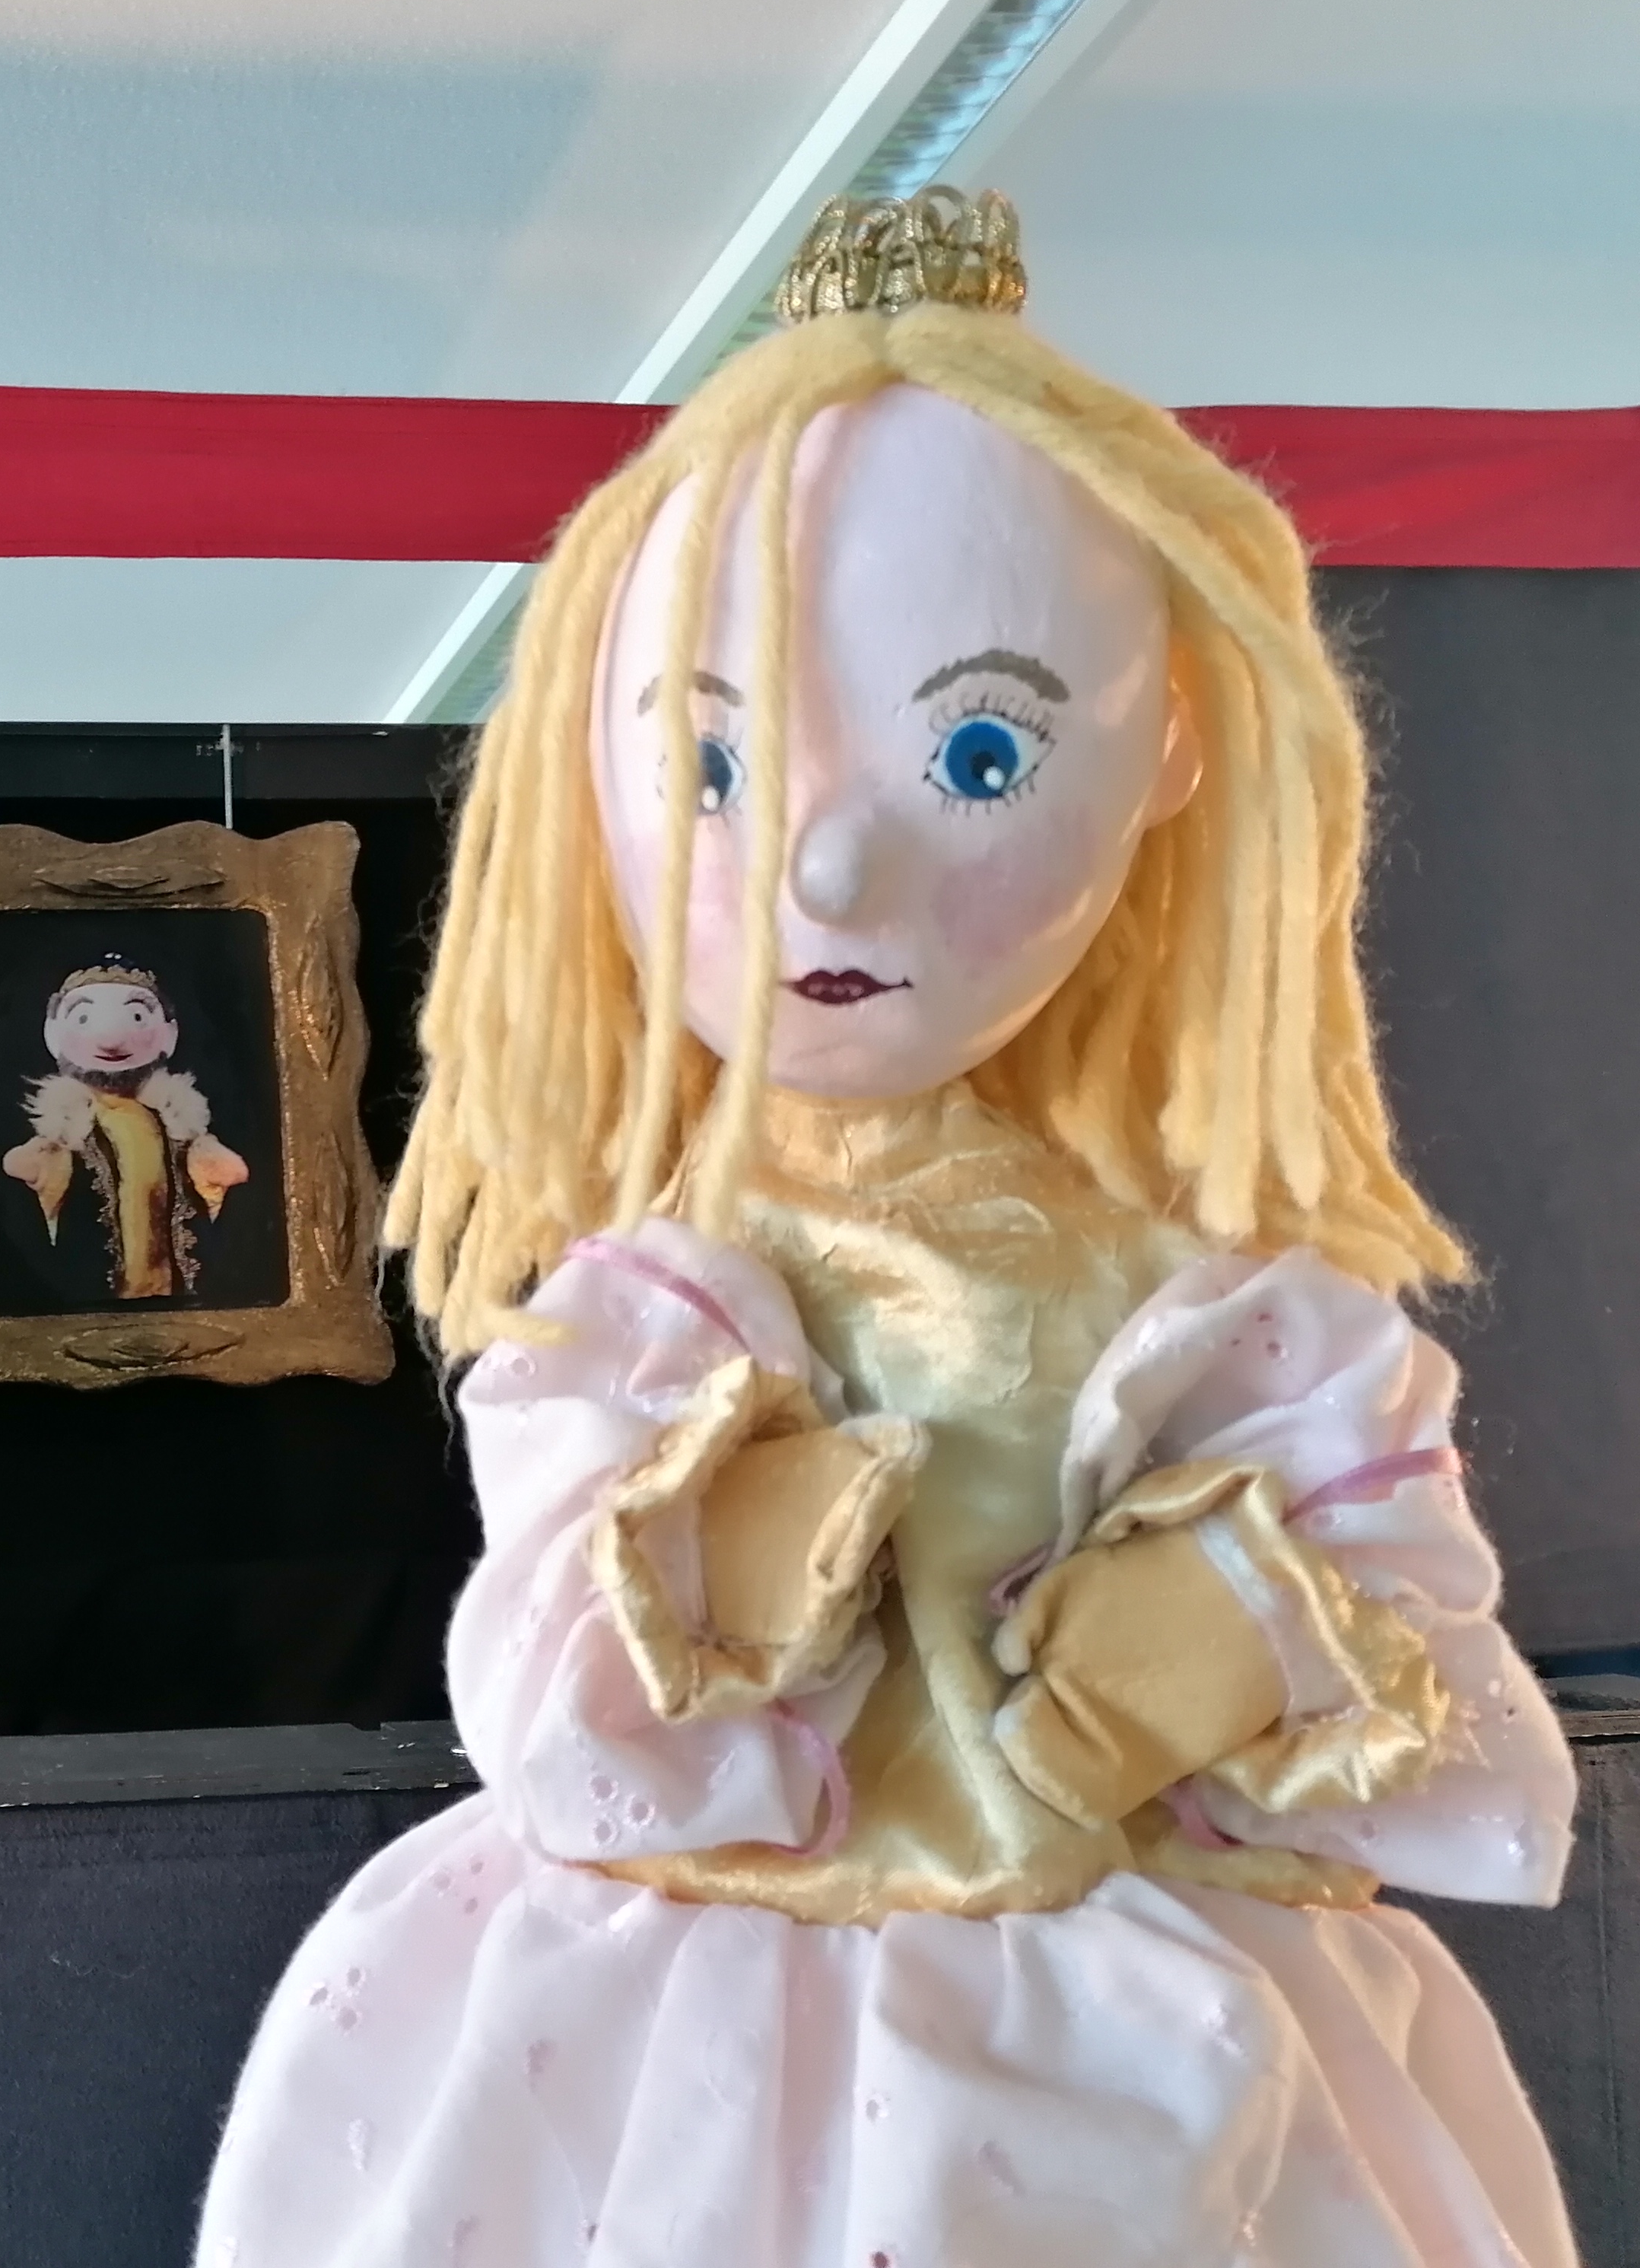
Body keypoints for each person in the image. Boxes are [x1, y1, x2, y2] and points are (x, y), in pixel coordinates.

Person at [194, 191, 1577, 2267]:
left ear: (1172, 755)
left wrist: (1226, 1630)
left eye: (979, 752)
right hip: (672, 1988)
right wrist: (721, 1557)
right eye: (715, 763)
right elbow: (556, 1689)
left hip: (1129, 1991)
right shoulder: (641, 1316)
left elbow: (1408, 1631)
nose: (830, 869)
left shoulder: (1234, 1322)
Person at [5, 959, 249, 1302]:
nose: (110, 1040)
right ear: (54, 1034)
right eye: (83, 1018)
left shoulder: (173, 1121)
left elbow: (227, 1170)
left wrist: (206, 1164)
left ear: (169, 1034)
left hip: (176, 1289)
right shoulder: (70, 1128)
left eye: (137, 1017)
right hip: (92, 1289)